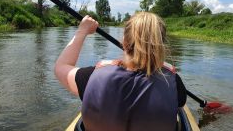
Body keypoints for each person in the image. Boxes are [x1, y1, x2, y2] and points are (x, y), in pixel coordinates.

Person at [55, 12, 187, 131]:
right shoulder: (174, 83)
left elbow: (61, 67)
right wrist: (159, 66)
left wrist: (82, 31)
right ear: (161, 46)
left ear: (124, 42)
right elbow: (179, 103)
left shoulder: (90, 77)